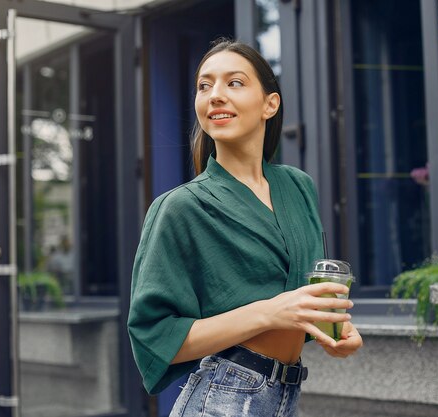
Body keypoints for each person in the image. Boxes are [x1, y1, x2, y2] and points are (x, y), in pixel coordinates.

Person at [127, 38, 363, 417]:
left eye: (234, 83)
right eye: (205, 86)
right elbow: (154, 337)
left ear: (270, 103)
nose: (215, 95)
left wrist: (332, 331)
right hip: (223, 395)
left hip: (287, 395)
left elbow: (296, 295)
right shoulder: (180, 207)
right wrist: (270, 312)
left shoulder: (298, 186)